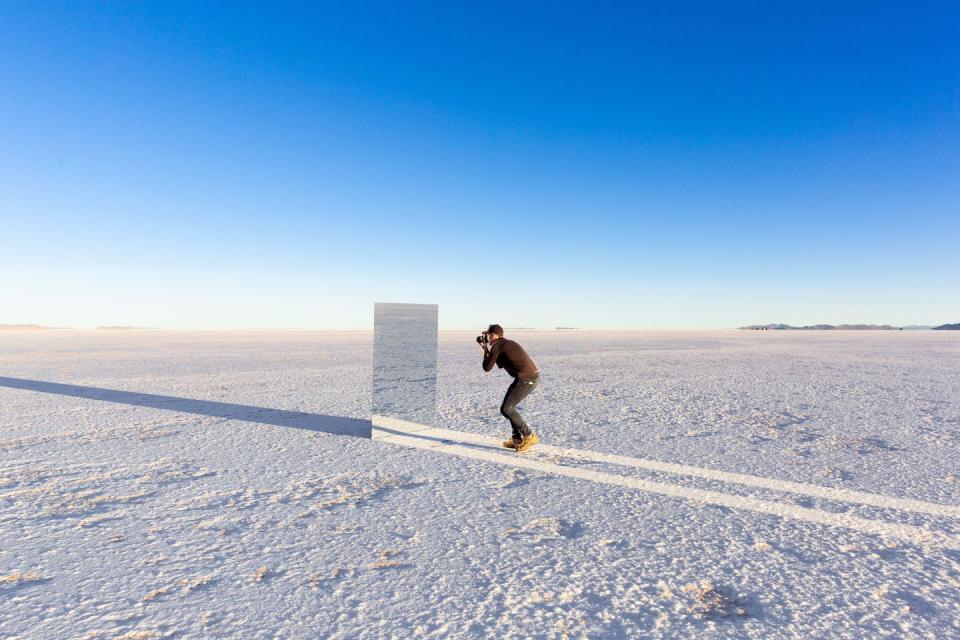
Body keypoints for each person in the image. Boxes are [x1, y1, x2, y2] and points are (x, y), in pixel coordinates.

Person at [478, 324, 540, 452]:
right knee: (509, 408)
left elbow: (487, 367)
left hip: (526, 379)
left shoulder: (498, 346)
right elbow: (498, 364)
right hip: (526, 378)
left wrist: (484, 348)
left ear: (496, 335)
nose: (487, 337)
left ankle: (529, 436)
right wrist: (485, 348)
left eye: (489, 335)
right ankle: (516, 440)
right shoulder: (503, 344)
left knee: (507, 408)